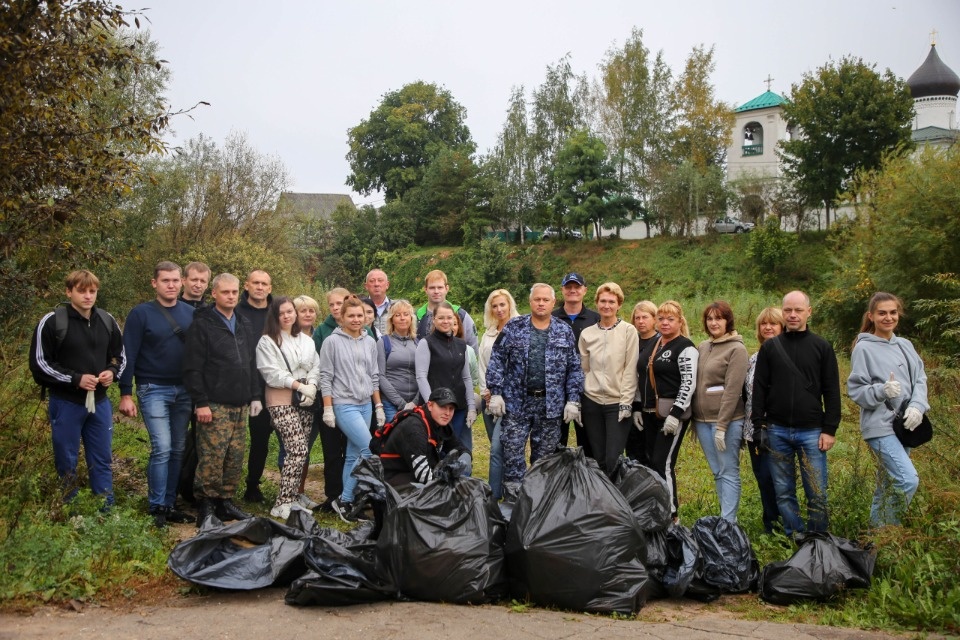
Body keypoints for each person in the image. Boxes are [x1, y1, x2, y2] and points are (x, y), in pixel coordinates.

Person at [29, 270, 125, 507]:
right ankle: (70, 511)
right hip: (66, 403)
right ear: (69, 291)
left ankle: (105, 509)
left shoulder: (107, 320)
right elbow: (40, 363)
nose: (88, 296)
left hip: (100, 403)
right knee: (66, 460)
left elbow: (119, 356)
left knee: (102, 458)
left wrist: (111, 373)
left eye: (92, 291)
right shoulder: (52, 322)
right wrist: (75, 379)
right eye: (82, 291)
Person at [751, 290, 841, 537]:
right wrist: (759, 425)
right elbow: (758, 388)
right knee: (783, 490)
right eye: (788, 310)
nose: (792, 315)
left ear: (808, 312)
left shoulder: (821, 347)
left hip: (812, 431)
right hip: (777, 430)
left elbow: (832, 390)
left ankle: (817, 537)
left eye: (798, 310)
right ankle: (795, 535)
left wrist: (829, 429)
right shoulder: (770, 348)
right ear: (783, 312)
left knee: (817, 491)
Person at [118, 261, 196, 527]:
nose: (171, 285)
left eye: (175, 280)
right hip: (153, 388)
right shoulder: (141, 314)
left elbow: (198, 355)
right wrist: (125, 393)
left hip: (184, 390)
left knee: (177, 448)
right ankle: (156, 506)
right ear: (155, 283)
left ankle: (170, 503)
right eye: (166, 281)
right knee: (161, 448)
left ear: (182, 282)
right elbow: (128, 353)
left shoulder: (190, 313)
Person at [486, 284, 584, 490]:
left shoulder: (564, 331)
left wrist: (573, 400)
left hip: (550, 406)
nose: (541, 303)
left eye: (545, 300)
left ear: (553, 303)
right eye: (537, 299)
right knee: (512, 453)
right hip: (516, 404)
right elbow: (497, 360)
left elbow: (574, 367)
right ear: (530, 302)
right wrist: (495, 393)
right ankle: (514, 502)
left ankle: (539, 501)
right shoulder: (513, 328)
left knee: (544, 459)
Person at [182, 273, 261, 526]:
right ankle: (206, 504)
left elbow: (251, 362)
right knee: (212, 455)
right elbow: (192, 367)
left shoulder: (244, 323)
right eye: (225, 292)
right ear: (214, 293)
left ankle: (225, 501)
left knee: (234, 455)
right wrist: (201, 401)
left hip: (240, 402)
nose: (230, 296)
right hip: (214, 402)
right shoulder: (203, 324)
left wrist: (255, 395)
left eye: (234, 292)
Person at [847, 292, 927, 527]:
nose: (888, 317)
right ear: (871, 316)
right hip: (880, 427)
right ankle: (889, 532)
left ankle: (874, 536)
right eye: (882, 313)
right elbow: (856, 390)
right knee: (907, 480)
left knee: (888, 483)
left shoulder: (905, 345)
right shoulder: (863, 349)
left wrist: (917, 406)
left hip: (905, 424)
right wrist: (882, 391)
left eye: (893, 312)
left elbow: (920, 378)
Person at [318, 295, 385, 523]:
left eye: (360, 315)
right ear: (342, 318)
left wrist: (378, 406)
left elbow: (373, 375)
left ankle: (347, 500)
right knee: (369, 451)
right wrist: (328, 408)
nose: (357, 320)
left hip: (366, 403)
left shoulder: (369, 342)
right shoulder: (332, 342)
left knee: (354, 456)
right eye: (351, 316)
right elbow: (325, 376)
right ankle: (344, 500)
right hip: (344, 404)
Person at [256, 297, 321, 521]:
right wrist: (298, 385)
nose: (287, 316)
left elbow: (315, 365)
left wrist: (311, 386)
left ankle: (293, 498)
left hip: (305, 399)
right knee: (297, 449)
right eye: (281, 312)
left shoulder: (306, 340)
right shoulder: (267, 341)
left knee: (301, 453)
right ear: (275, 316)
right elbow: (271, 372)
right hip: (281, 399)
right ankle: (282, 502)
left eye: (290, 311)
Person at [637, 300, 698, 520]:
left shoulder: (685, 347)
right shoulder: (658, 343)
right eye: (661, 319)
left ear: (680, 322)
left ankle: (672, 514)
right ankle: (658, 506)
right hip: (652, 412)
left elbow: (688, 383)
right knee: (653, 462)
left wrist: (675, 414)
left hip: (672, 414)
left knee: (664, 462)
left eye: (670, 319)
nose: (664, 323)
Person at [691, 301, 748, 523]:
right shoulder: (703, 346)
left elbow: (732, 391)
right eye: (710, 319)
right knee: (717, 471)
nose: (714, 323)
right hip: (702, 421)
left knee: (729, 471)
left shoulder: (737, 349)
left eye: (719, 318)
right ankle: (724, 516)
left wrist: (722, 427)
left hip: (726, 422)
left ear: (728, 321)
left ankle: (728, 522)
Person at [578, 283, 639, 477]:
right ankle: (602, 502)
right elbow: (583, 369)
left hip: (617, 402)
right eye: (603, 301)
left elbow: (630, 369)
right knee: (599, 458)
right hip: (592, 402)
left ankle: (617, 501)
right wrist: (580, 401)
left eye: (611, 301)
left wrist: (626, 403)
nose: (607, 305)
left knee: (613, 458)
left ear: (619, 304)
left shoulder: (628, 331)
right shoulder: (587, 334)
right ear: (596, 303)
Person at [743, 307, 785, 534]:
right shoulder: (754, 357)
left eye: (774, 324)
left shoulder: (788, 356)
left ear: (783, 327)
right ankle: (770, 521)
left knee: (775, 476)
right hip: (753, 429)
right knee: (762, 477)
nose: (768, 328)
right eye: (764, 324)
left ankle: (781, 523)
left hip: (778, 428)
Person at [415, 301, 476, 456]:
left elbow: (467, 377)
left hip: (459, 407)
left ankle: (462, 478)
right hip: (438, 408)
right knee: (440, 450)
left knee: (461, 449)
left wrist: (471, 407)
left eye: (449, 318)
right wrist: (431, 404)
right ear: (434, 320)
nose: (445, 321)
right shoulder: (426, 343)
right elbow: (421, 376)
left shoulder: (461, 344)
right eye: (441, 318)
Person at [379, 388, 470, 491]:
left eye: (451, 408)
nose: (447, 413)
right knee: (442, 494)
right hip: (394, 477)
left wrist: (465, 456)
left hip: (416, 473)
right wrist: (451, 485)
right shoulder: (414, 428)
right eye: (442, 407)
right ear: (430, 405)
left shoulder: (442, 423)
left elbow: (457, 446)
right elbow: (424, 477)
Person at [236, 270, 274, 504]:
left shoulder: (277, 312)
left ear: (270, 288)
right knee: (235, 440)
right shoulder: (236, 312)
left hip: (271, 385)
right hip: (241, 385)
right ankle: (222, 489)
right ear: (247, 286)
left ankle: (253, 485)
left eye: (264, 284)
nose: (260, 287)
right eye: (256, 283)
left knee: (261, 439)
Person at [477, 289, 519, 500]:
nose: (499, 309)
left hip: (510, 400)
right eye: (495, 306)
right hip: (488, 398)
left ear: (510, 304)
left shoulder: (520, 329)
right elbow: (483, 365)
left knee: (496, 449)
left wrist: (501, 393)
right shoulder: (489, 333)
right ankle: (504, 490)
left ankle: (492, 496)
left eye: (503, 304)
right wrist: (486, 392)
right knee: (500, 450)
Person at [552, 272, 600, 457]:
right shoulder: (552, 318)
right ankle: (557, 482)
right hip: (557, 389)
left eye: (577, 287)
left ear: (584, 290)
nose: (573, 290)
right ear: (562, 290)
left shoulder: (595, 319)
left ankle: (587, 481)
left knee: (588, 442)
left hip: (588, 388)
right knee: (556, 444)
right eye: (568, 287)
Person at [312, 287, 350, 512]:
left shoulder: (361, 328)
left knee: (353, 450)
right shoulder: (321, 331)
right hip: (328, 400)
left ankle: (351, 493)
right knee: (332, 451)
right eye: (332, 305)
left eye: (340, 303)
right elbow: (317, 365)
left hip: (355, 401)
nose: (336, 308)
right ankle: (332, 496)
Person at [625, 300, 660, 465]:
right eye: (637, 318)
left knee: (653, 454)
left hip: (655, 405)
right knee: (633, 452)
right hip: (633, 403)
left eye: (645, 317)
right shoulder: (631, 341)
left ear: (654, 319)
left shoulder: (661, 342)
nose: (640, 321)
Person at [377, 300, 420, 423]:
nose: (402, 318)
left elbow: (423, 375)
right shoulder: (383, 342)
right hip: (391, 404)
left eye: (406, 314)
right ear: (391, 320)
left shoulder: (418, 343)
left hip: (415, 403)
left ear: (411, 318)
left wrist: (414, 402)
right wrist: (400, 402)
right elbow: (380, 375)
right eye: (397, 315)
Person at [415, 269, 479, 352]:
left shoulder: (460, 314)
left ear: (446, 288)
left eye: (440, 287)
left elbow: (473, 346)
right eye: (432, 288)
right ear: (425, 289)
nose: (436, 291)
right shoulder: (416, 317)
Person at [363, 269, 392, 335]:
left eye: (380, 280)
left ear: (387, 284)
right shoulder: (358, 308)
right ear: (366, 286)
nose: (376, 284)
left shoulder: (396, 307)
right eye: (372, 281)